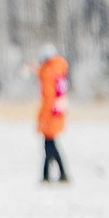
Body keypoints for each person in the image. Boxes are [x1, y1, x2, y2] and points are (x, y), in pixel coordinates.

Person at [35, 48, 70, 183]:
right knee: (50, 144)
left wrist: (42, 118)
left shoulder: (48, 73)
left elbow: (48, 98)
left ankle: (52, 174)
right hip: (58, 113)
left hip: (50, 114)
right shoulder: (59, 70)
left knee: (50, 145)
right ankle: (50, 174)